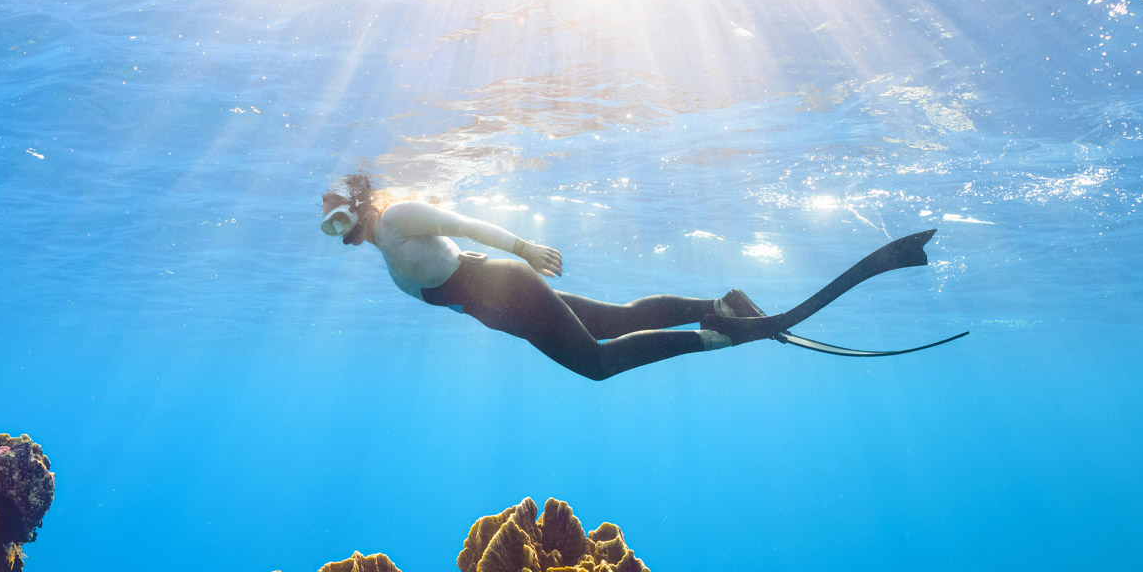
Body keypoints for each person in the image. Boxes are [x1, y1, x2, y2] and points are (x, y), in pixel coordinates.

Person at [318, 171, 951, 380]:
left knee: (597, 362)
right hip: (500, 305)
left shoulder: (399, 216)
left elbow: (466, 225)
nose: (335, 227)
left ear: (359, 200)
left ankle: (714, 335)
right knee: (615, 323)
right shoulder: (384, 247)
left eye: (336, 212)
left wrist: (526, 247)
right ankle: (720, 304)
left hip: (508, 285)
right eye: (328, 223)